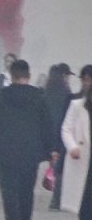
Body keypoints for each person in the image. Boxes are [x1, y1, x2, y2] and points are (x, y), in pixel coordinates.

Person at [0, 58, 53, 220]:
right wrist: (50, 150)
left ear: (12, 75)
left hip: (6, 151)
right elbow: (47, 125)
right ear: (28, 76)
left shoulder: (1, 96)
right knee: (26, 190)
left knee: (9, 188)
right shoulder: (39, 97)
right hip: (31, 151)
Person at [60, 64, 92, 220]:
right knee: (85, 201)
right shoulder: (76, 106)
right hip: (83, 159)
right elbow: (66, 129)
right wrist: (72, 147)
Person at [44, 64, 74, 210]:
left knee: (55, 166)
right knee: (60, 168)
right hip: (62, 133)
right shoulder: (65, 92)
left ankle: (56, 197)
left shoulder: (47, 92)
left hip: (50, 132)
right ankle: (57, 198)